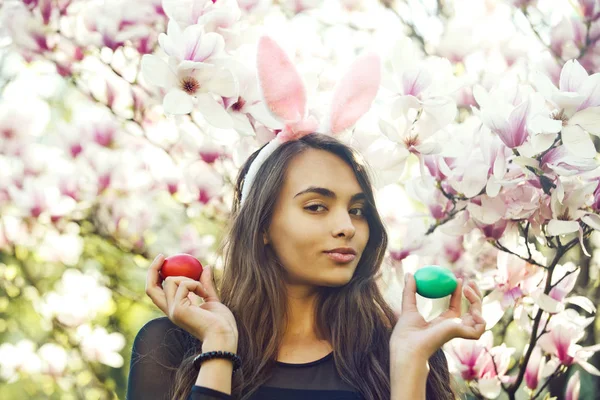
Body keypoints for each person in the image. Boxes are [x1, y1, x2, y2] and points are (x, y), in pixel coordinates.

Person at [126, 36, 486, 400]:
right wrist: (219, 346)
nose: (347, 227)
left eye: (358, 210)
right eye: (316, 206)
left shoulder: (404, 348)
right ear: (262, 225)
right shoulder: (172, 347)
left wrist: (409, 366)